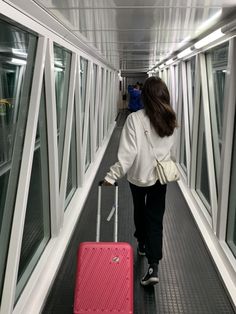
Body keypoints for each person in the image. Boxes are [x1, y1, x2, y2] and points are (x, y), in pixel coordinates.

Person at [103, 77, 177, 286]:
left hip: (138, 177)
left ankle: (142, 242)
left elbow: (128, 154)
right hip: (160, 178)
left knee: (139, 210)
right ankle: (154, 266)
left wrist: (111, 176)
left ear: (145, 96)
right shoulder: (170, 118)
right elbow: (171, 150)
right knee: (156, 219)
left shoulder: (135, 119)